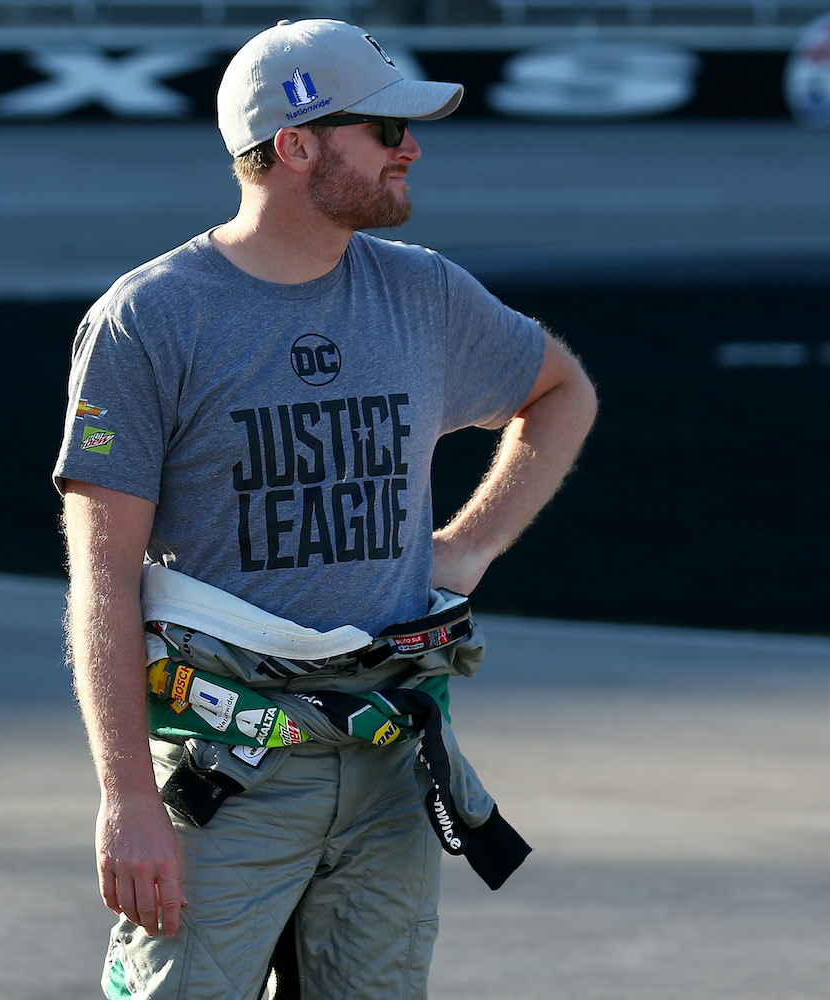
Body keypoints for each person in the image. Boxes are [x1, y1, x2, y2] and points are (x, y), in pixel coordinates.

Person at [55, 18, 597, 1000]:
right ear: (297, 145)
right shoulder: (149, 321)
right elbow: (102, 580)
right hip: (228, 772)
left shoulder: (424, 294)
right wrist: (127, 793)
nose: (412, 148)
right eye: (386, 129)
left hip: (391, 766)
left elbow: (564, 391)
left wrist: (469, 542)